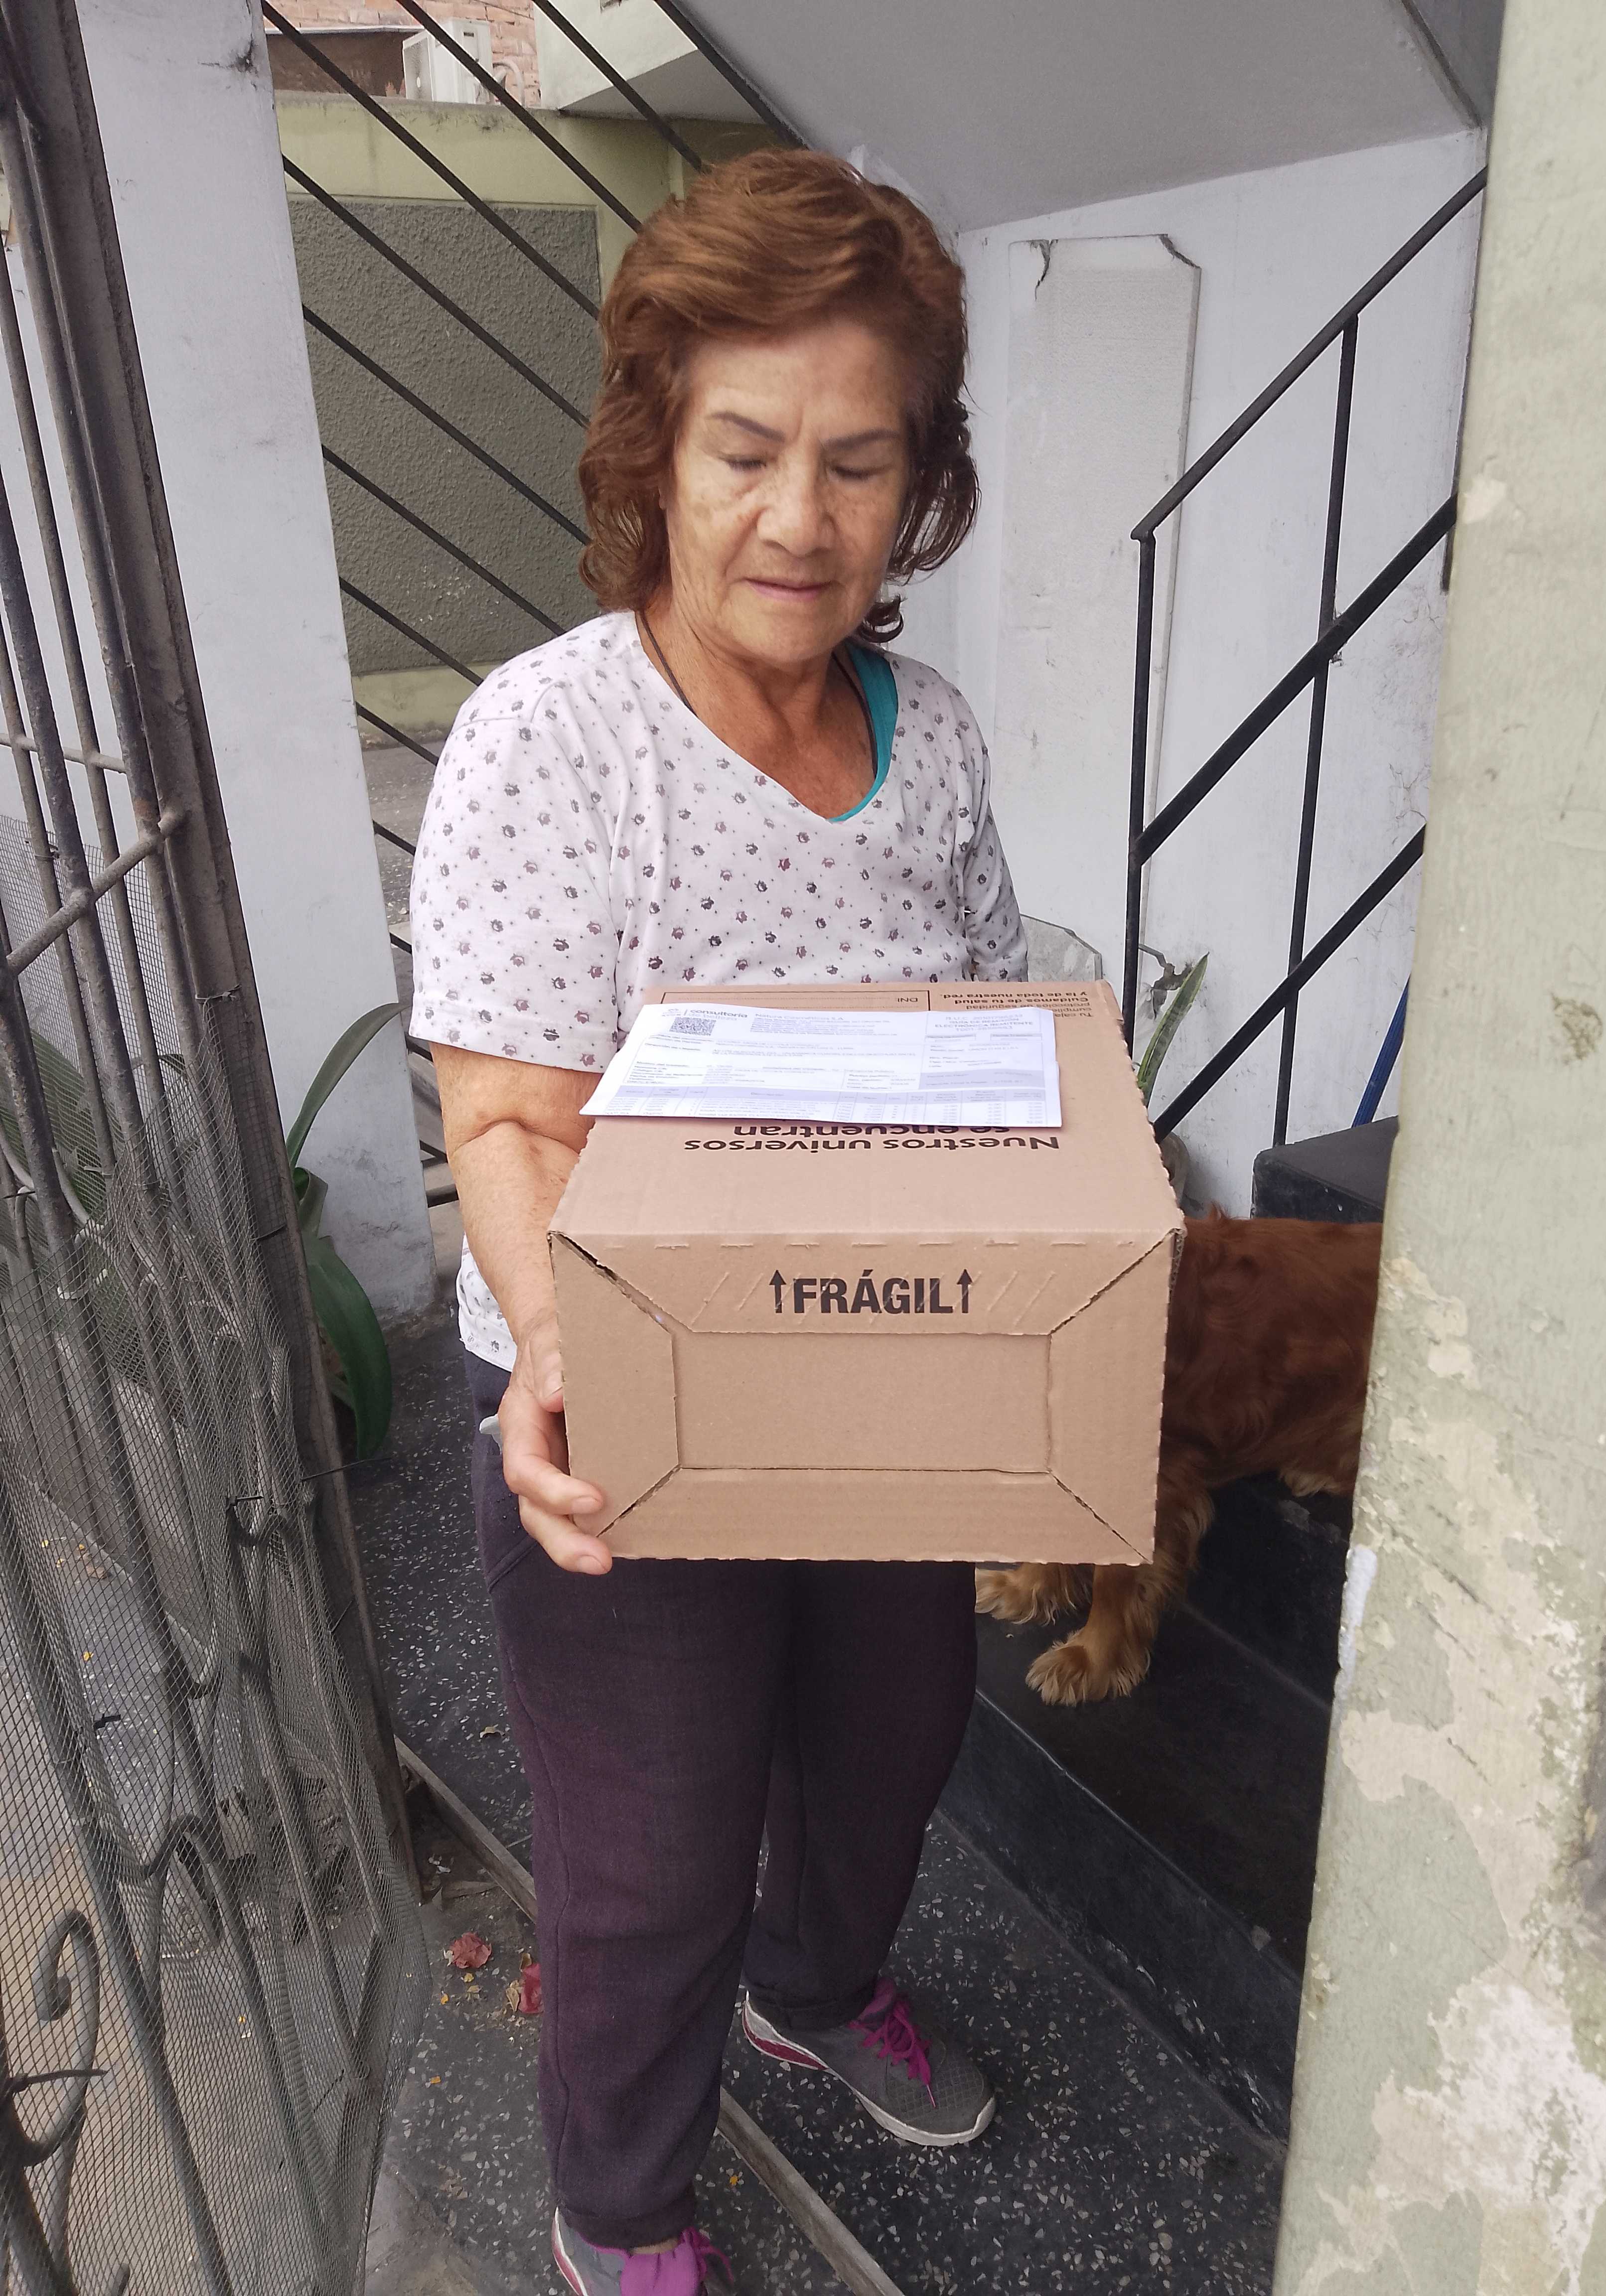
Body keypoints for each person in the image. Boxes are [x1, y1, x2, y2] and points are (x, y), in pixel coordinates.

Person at [412, 147, 1026, 2296]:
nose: (799, 518)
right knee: (649, 1857)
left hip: (877, 1381)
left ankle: (815, 1980)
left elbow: (991, 1044)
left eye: (859, 463)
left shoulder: (931, 738)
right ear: (656, 452)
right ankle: (620, 2205)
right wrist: (560, 1344)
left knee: (891, 1748)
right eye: (746, 450)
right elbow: (509, 1113)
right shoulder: (553, 737)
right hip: (632, 1398)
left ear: (919, 484)